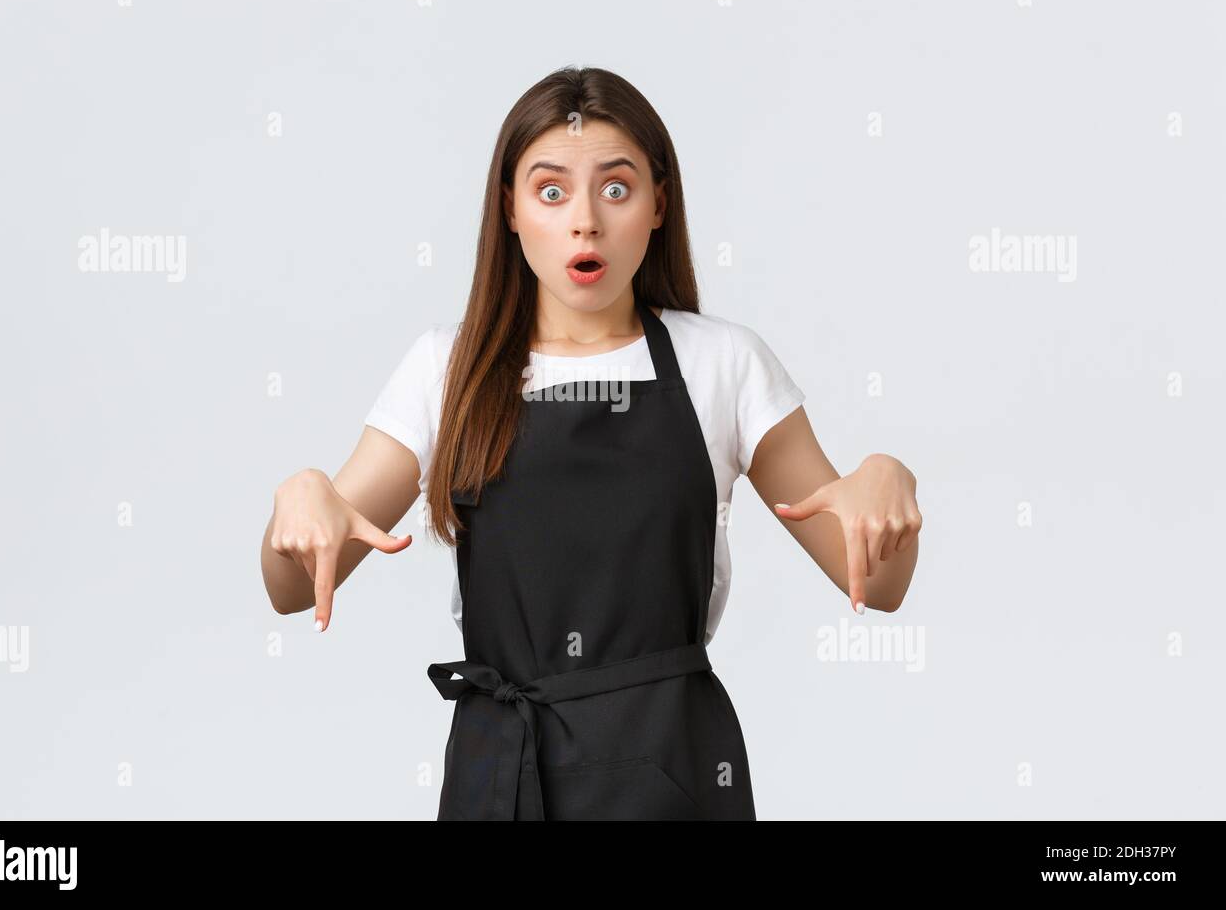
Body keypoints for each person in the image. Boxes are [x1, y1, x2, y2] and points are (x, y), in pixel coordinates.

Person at [260, 66, 923, 820]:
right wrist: (302, 498)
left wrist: (886, 476)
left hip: (670, 772)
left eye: (615, 189)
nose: (585, 222)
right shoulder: (448, 370)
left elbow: (879, 582)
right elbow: (290, 590)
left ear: (658, 205)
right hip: (500, 776)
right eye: (550, 191)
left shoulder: (723, 363)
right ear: (509, 209)